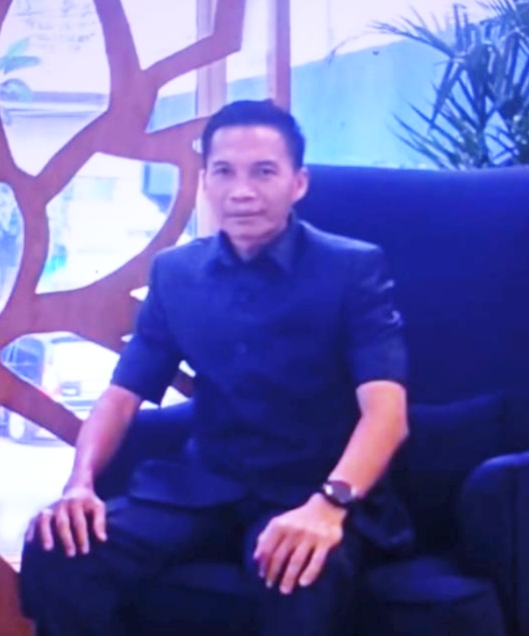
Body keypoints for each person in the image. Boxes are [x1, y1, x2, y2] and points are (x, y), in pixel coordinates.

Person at [20, 99, 413, 636]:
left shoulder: (353, 269)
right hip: (201, 487)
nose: (241, 191)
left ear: (298, 183)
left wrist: (329, 505)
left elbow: (387, 415)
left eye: (264, 172)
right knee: (60, 549)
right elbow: (121, 397)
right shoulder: (176, 274)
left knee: (297, 573)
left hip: (312, 489)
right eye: (224, 172)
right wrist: (79, 484)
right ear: (205, 181)